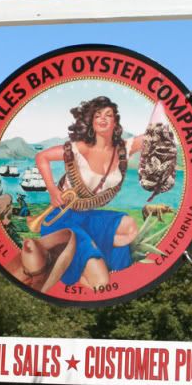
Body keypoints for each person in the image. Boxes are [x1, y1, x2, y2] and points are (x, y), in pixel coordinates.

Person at [30, 96, 144, 289]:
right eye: (98, 115)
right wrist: (51, 189)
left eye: (109, 115)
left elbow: (155, 133)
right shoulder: (78, 148)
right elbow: (42, 156)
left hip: (88, 216)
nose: (103, 118)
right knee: (101, 282)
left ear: (115, 122)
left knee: (130, 227)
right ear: (91, 121)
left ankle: (90, 247)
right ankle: (83, 262)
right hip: (62, 218)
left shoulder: (123, 149)